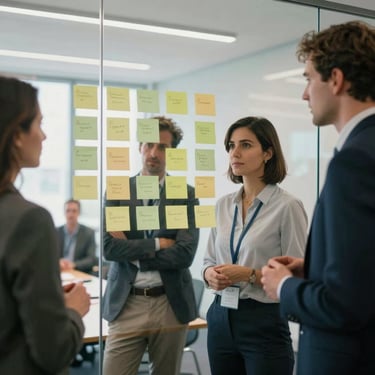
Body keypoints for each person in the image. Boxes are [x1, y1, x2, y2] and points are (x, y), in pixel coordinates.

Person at [261, 21, 375, 375]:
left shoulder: (354, 161)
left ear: (336, 80)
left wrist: (286, 286)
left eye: (309, 78)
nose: (305, 94)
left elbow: (346, 305)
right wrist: (314, 269)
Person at [202, 116, 307, 375]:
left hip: (264, 320)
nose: (234, 153)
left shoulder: (287, 207)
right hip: (219, 316)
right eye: (230, 145)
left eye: (246, 145)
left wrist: (249, 275)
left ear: (268, 153)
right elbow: (207, 261)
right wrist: (209, 276)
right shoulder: (223, 205)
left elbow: (297, 277)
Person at [0, 76, 90, 374]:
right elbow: (53, 351)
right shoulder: (29, 220)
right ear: (16, 134)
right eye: (38, 123)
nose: (44, 136)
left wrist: (47, 301)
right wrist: (73, 312)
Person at [102, 116, 200, 375]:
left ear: (172, 153)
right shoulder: (117, 191)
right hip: (126, 302)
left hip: (169, 302)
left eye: (163, 147)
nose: (154, 153)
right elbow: (109, 248)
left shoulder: (185, 194)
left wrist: (135, 254)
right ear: (139, 147)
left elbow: (185, 254)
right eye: (148, 144)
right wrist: (158, 243)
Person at [57, 198, 98, 274]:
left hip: (78, 272)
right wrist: (58, 262)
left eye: (74, 211)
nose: (71, 214)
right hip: (59, 271)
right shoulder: (56, 231)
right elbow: (49, 254)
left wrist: (74, 264)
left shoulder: (88, 233)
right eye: (68, 211)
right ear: (64, 213)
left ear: (79, 213)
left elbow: (92, 259)